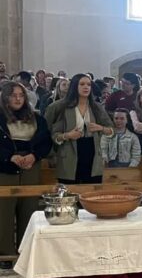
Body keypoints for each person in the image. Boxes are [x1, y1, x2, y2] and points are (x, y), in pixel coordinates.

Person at [0, 82, 53, 263]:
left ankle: (26, 251)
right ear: (5, 97)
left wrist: (35, 155)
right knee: (4, 211)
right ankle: (5, 254)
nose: (17, 99)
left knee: (29, 209)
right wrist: (9, 157)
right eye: (13, 95)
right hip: (5, 168)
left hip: (31, 165)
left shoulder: (37, 119)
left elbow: (45, 141)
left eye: (21, 95)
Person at [47, 73, 114, 184]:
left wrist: (100, 128)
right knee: (70, 194)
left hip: (92, 152)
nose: (86, 87)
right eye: (82, 84)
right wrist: (67, 135)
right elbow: (50, 133)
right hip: (69, 153)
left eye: (88, 84)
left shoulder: (96, 107)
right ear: (74, 86)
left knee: (90, 193)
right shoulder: (59, 107)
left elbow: (112, 130)